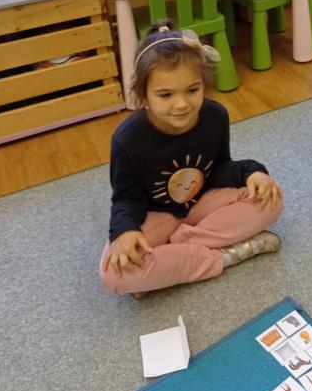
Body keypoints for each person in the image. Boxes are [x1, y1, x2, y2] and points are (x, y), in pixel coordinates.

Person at [99, 21, 284, 297]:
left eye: (193, 90)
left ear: (203, 84)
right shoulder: (127, 139)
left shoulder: (215, 115)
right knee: (114, 273)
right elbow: (126, 198)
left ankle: (171, 259)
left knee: (272, 199)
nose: (182, 104)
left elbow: (219, 168)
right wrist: (124, 232)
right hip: (156, 214)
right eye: (165, 95)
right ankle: (223, 256)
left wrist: (252, 172)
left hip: (202, 204)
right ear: (143, 94)